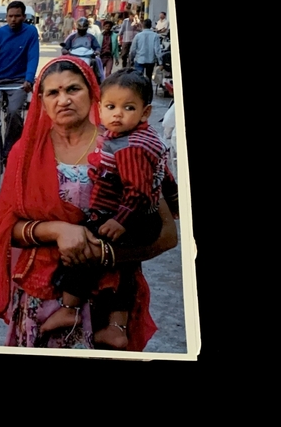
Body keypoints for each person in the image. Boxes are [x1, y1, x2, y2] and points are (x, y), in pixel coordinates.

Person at [0, 56, 178, 350]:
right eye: (53, 92)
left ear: (92, 92)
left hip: (110, 303)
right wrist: (57, 231)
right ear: (41, 100)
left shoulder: (127, 147)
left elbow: (166, 235)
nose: (63, 100)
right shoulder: (25, 154)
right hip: (41, 297)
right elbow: (5, 229)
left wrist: (103, 254)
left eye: (73, 89)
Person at [40, 69, 180, 348]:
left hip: (129, 218)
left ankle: (70, 308)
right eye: (111, 107)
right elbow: (164, 180)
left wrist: (119, 221)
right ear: (100, 106)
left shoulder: (130, 146)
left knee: (86, 250)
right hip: (135, 218)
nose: (117, 114)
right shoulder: (137, 139)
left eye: (128, 108)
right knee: (124, 267)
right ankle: (117, 326)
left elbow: (139, 192)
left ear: (145, 112)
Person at [0, 1, 40, 157]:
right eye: (10, 16)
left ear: (23, 17)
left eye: (17, 16)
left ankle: (9, 150)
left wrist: (29, 79)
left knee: (13, 113)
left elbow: (33, 57)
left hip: (19, 81)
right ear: (6, 17)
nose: (13, 19)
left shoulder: (30, 32)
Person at [62, 17, 103, 82]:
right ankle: (63, 78)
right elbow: (65, 47)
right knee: (62, 63)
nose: (81, 31)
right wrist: (64, 50)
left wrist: (97, 51)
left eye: (83, 30)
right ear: (77, 28)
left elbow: (97, 47)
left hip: (88, 56)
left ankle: (98, 80)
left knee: (96, 61)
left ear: (87, 28)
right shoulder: (72, 37)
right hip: (74, 56)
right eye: (80, 30)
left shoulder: (91, 37)